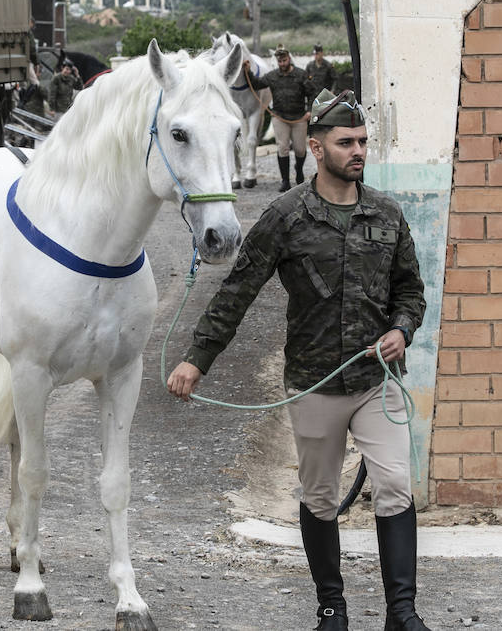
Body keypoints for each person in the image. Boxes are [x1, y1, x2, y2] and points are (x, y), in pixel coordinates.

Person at [166, 89, 430, 631]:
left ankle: (402, 613)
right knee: (319, 496)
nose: (357, 150)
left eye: (361, 141)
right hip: (314, 383)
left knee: (394, 487)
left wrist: (403, 330)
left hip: (377, 379)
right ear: (315, 147)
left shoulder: (387, 212)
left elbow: (411, 292)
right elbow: (237, 291)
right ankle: (331, 609)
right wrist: (197, 359)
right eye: (345, 142)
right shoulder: (286, 216)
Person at [247, 47, 317, 192]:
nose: (282, 63)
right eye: (280, 61)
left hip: (299, 117)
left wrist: (310, 110)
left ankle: (299, 172)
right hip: (279, 117)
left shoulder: (301, 74)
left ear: (289, 59)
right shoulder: (272, 76)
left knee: (300, 149)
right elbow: (256, 84)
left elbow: (312, 93)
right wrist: (247, 71)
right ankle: (285, 181)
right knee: (282, 148)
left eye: (284, 60)